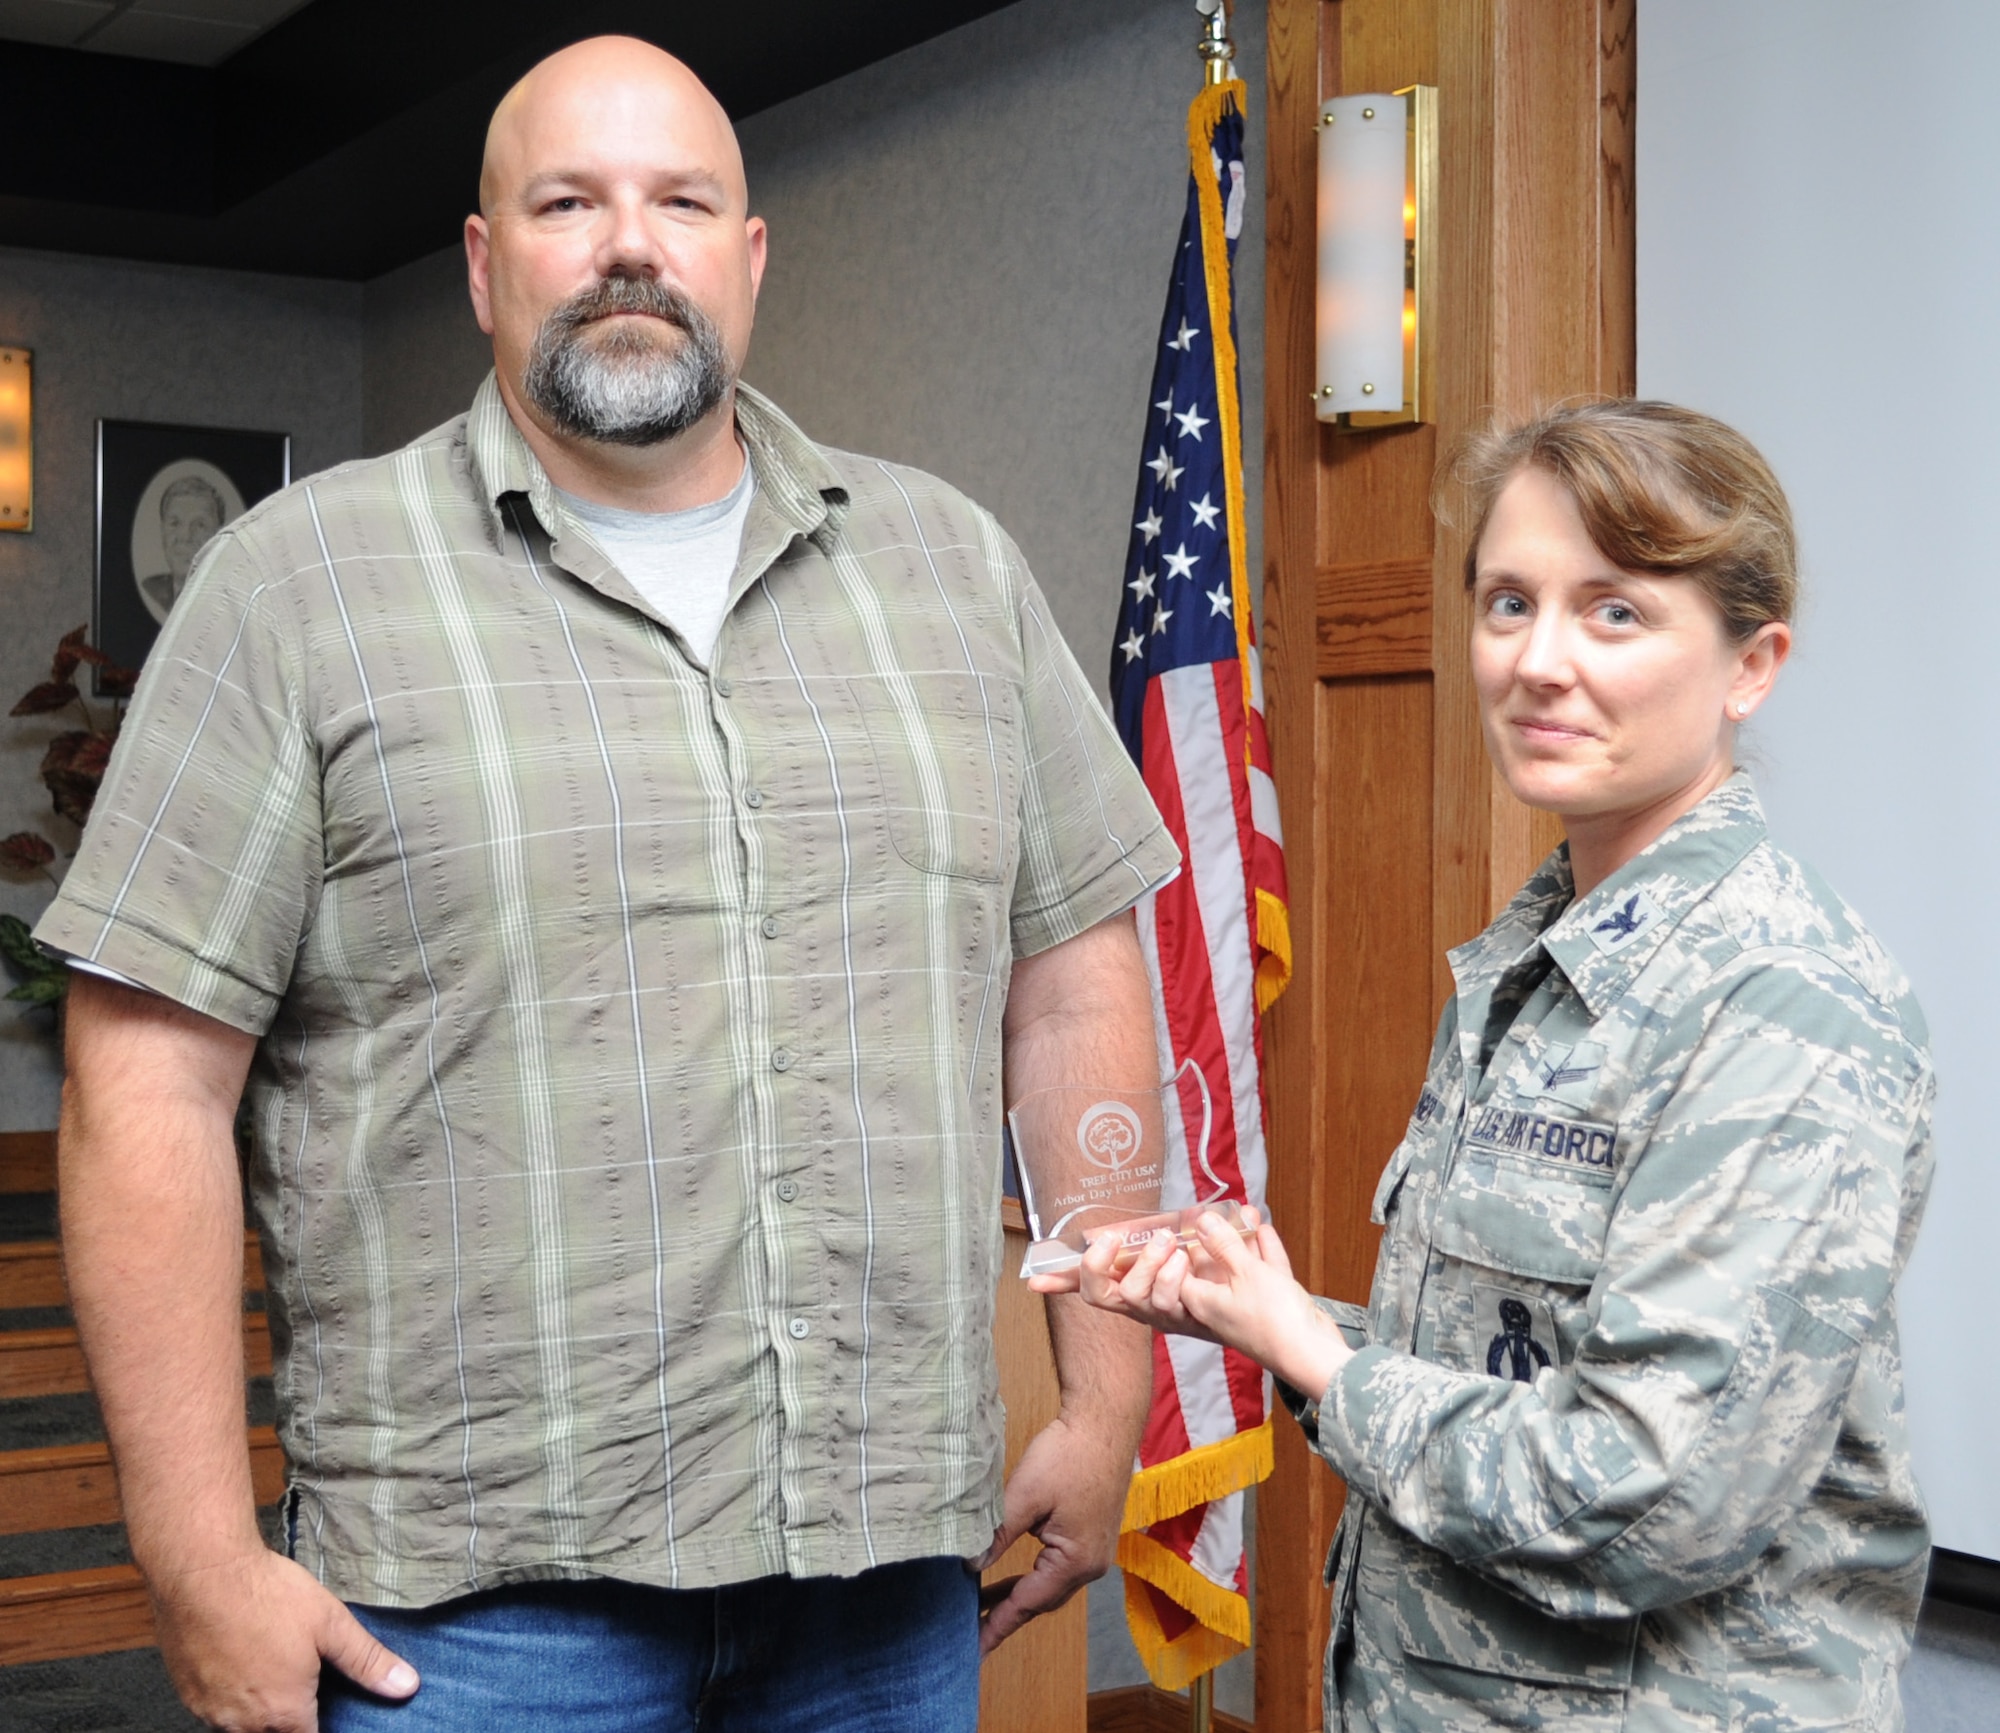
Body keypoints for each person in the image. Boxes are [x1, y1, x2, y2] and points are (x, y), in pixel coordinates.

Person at [39, 36, 1178, 1733]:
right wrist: (194, 1546)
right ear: (490, 265)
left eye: (681, 200)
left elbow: (1075, 983)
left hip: (885, 1588)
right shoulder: (299, 587)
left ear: (749, 256)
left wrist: (1105, 1394)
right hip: (476, 1617)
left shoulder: (951, 567)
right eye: (570, 202)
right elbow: (143, 1080)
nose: (631, 244)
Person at [1045, 401, 1936, 1731]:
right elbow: (1517, 1388)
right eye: (1508, 603)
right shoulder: (1542, 960)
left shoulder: (1779, 1003)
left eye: (1614, 611)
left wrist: (1321, 1359)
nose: (1538, 661)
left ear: (1752, 665)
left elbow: (1643, 1497)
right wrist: (1269, 1314)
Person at [136, 471, 226, 622]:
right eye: (174, 523)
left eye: (200, 525)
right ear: (162, 530)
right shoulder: (151, 591)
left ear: (219, 534)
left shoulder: (232, 600)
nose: (185, 536)